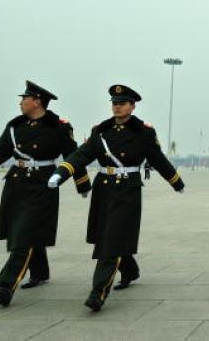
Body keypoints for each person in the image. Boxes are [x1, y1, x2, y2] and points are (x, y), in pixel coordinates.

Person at [49, 84, 185, 311]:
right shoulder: (100, 131)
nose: (117, 107)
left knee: (111, 241)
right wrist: (61, 172)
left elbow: (157, 159)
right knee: (107, 236)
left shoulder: (143, 132)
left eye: (122, 103)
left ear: (132, 106)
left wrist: (176, 181)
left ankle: (98, 292)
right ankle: (130, 270)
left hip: (128, 190)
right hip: (104, 189)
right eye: (114, 103)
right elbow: (82, 155)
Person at [0, 81, 90, 307]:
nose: (20, 102)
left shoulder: (59, 127)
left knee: (25, 234)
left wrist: (82, 184)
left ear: (37, 101)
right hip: (17, 183)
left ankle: (6, 284)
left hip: (43, 185)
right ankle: (40, 272)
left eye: (24, 98)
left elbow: (74, 156)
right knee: (21, 230)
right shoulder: (15, 126)